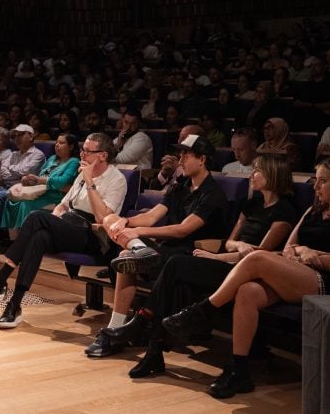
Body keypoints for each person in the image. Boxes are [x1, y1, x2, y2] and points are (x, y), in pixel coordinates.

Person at [160, 156, 330, 398]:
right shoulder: (314, 209)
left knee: (257, 258)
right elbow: (290, 247)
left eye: (323, 181)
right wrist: (303, 251)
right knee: (247, 291)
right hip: (297, 271)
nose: (316, 187)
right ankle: (240, 371)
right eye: (316, 180)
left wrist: (308, 255)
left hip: (329, 280)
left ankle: (204, 309)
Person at [98, 155, 297, 373]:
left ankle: (143, 324)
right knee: (177, 278)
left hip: (243, 270)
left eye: (258, 170)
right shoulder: (252, 204)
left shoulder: (284, 210)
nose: (252, 174)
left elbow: (262, 256)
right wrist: (238, 245)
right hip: (229, 260)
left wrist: (218, 257)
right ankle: (153, 351)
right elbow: (230, 242)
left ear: (273, 174)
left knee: (175, 265)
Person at [0, 133, 127, 328]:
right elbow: (63, 205)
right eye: (83, 150)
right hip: (69, 225)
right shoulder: (83, 174)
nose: (82, 155)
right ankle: (14, 304)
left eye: (88, 151)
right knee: (39, 236)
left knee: (37, 217)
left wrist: (90, 182)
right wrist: (54, 220)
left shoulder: (116, 179)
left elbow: (102, 218)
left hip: (94, 235)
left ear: (103, 155)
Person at [83, 134, 228, 357]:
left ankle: (116, 328)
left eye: (186, 155)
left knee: (127, 255)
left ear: (202, 159)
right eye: (180, 155)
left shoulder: (212, 194)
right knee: (112, 222)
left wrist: (137, 231)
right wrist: (125, 221)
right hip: (167, 250)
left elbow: (183, 229)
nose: (180, 160)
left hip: (190, 257)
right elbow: (151, 216)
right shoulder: (180, 186)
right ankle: (117, 324)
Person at [0, 133, 80, 239]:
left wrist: (40, 180)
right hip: (41, 192)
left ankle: (23, 239)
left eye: (61, 143)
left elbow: (62, 181)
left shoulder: (73, 162)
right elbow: (40, 176)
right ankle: (11, 239)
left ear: (71, 146)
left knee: (24, 204)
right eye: (56, 142)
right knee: (11, 201)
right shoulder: (52, 159)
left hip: (55, 196)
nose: (57, 145)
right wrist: (29, 179)